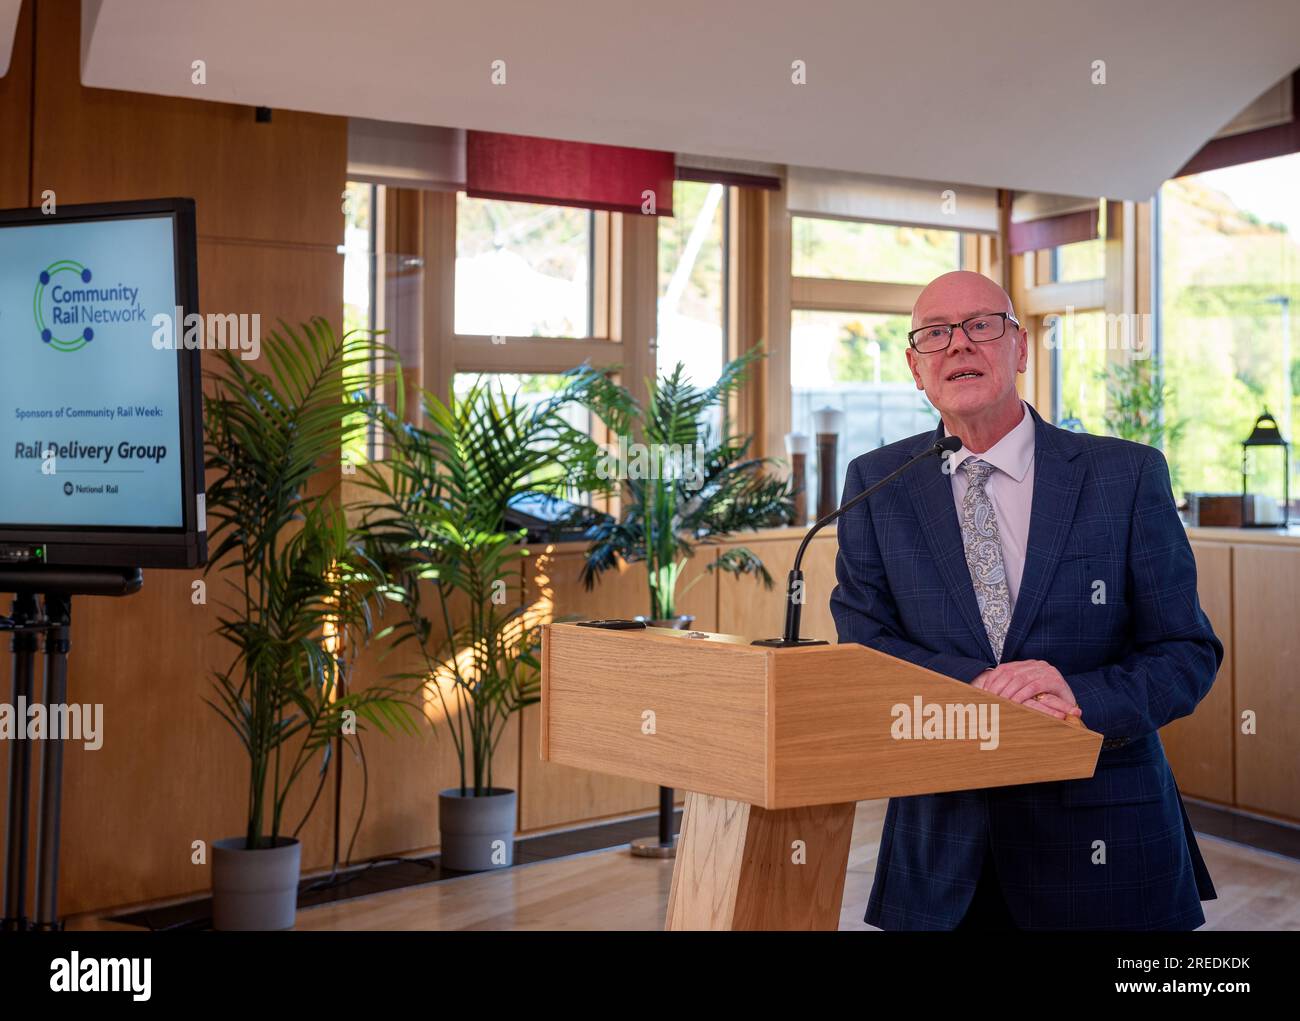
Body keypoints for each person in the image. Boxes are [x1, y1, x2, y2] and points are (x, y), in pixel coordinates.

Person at [830, 270, 1222, 930]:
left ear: (1020, 348)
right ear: (914, 366)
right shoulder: (875, 485)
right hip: (944, 855)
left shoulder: (1125, 475)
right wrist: (985, 685)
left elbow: (1185, 651)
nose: (958, 345)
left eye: (981, 325)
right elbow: (865, 650)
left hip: (1107, 843)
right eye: (935, 334)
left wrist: (1076, 694)